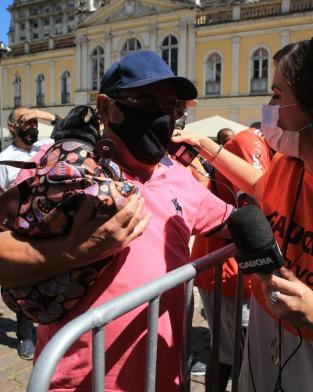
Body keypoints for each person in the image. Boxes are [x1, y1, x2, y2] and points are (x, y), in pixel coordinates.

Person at [173, 31, 313, 391]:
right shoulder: (288, 169)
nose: (268, 108)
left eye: (277, 95)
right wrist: (203, 145)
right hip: (261, 352)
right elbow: (258, 186)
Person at [21, 50, 233, 391]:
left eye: (172, 108)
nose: (162, 117)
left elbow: (231, 222)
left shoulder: (177, 175)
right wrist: (75, 250)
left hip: (162, 380)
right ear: (106, 107)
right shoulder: (66, 169)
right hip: (79, 383)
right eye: (147, 102)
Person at [191, 127, 272, 391]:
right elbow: (256, 211)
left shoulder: (274, 147)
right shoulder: (249, 143)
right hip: (227, 271)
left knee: (233, 350)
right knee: (238, 352)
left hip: (232, 269)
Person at [0, 107, 57, 360]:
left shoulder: (46, 146)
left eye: (35, 122)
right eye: (27, 122)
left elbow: (67, 124)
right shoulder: (4, 159)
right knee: (25, 281)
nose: (33, 127)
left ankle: (51, 332)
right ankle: (25, 335)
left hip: (49, 224)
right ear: (13, 128)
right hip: (18, 228)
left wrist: (39, 115)